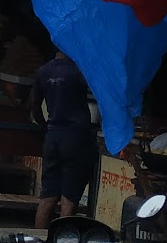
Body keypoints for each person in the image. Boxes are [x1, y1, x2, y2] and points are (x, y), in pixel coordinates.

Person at [31, 50, 97, 229]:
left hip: (52, 138)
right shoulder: (77, 70)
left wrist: (45, 126)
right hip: (75, 139)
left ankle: (40, 240)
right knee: (68, 201)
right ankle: (63, 238)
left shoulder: (43, 71)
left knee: (47, 198)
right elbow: (98, 92)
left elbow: (34, 106)